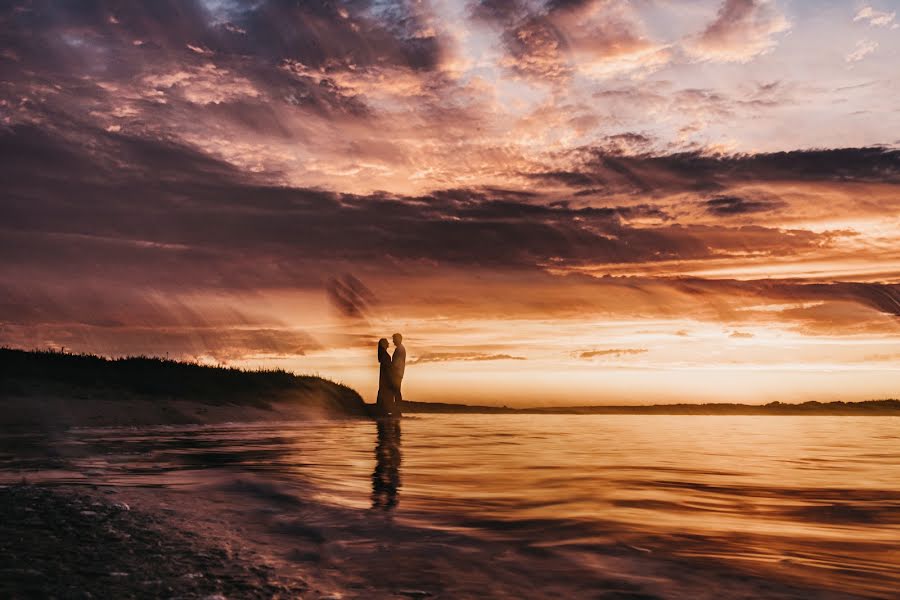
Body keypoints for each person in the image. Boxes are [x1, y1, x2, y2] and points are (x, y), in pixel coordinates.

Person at [376, 338, 395, 417]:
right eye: (387, 343)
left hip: (384, 377)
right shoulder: (384, 354)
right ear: (383, 344)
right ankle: (384, 411)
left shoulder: (383, 354)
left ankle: (382, 410)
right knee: (386, 393)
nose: (388, 344)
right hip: (386, 377)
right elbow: (387, 368)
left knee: (383, 392)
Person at [391, 333, 406, 414]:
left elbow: (397, 363)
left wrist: (391, 369)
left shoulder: (400, 349)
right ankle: (397, 409)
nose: (393, 341)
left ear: (398, 339)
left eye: (394, 339)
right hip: (398, 373)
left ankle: (398, 409)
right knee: (396, 391)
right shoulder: (400, 348)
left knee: (396, 391)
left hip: (397, 374)